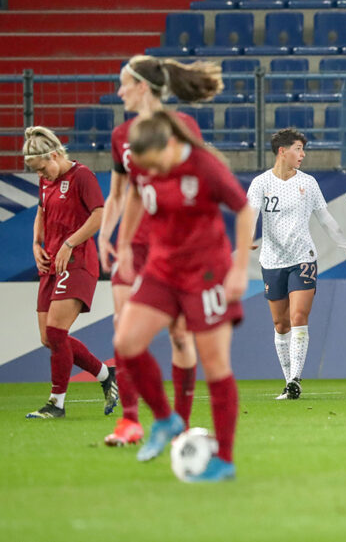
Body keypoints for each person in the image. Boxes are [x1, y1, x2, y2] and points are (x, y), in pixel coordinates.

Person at [112, 111, 253, 482]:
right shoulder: (145, 165)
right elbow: (135, 198)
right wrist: (124, 244)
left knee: (216, 366)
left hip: (206, 274)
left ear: (172, 145)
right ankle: (165, 418)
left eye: (156, 164)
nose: (152, 173)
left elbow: (243, 209)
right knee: (126, 342)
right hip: (161, 269)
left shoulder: (204, 167)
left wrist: (239, 270)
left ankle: (224, 458)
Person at [98, 54, 220, 446]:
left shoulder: (183, 126)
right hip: (134, 243)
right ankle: (129, 421)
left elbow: (201, 180)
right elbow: (120, 194)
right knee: (123, 330)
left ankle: (179, 426)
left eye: (123, 84)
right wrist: (107, 235)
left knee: (181, 336)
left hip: (174, 245)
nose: (119, 93)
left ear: (142, 87)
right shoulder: (121, 136)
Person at [248, 127, 346, 401]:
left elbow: (326, 220)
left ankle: (295, 379)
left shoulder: (307, 184)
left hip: (303, 258)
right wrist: (247, 238)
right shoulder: (261, 183)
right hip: (272, 261)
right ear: (282, 152)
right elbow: (249, 214)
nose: (303, 154)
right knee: (280, 323)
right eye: (298, 149)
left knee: (299, 317)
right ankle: (287, 380)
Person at [23, 127, 117, 419]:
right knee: (49, 338)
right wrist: (36, 243)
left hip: (77, 262)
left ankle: (56, 403)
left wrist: (69, 242)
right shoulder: (45, 180)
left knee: (56, 331)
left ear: (54, 154)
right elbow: (41, 211)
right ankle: (106, 375)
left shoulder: (82, 176)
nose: (42, 175)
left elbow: (100, 215)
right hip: (51, 263)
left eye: (43, 168)